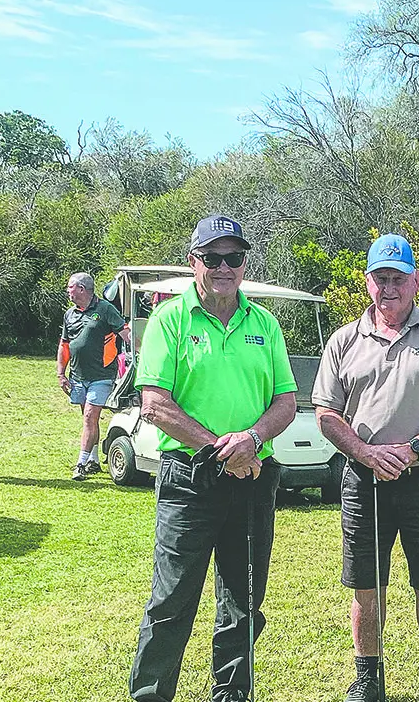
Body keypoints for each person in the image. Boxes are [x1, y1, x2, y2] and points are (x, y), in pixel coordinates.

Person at [129, 214, 298, 702]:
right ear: (193, 262)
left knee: (244, 603)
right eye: (214, 257)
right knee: (172, 602)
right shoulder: (169, 319)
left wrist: (251, 437)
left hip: (253, 479)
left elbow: (286, 402)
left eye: (235, 257)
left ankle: (231, 695)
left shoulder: (265, 324)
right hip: (190, 480)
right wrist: (220, 449)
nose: (225, 267)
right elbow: (155, 403)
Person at [313, 233, 419, 702]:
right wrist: (366, 454)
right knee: (366, 584)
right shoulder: (345, 340)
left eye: (399, 278)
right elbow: (326, 413)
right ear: (368, 282)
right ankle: (369, 679)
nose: (390, 288)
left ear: (416, 281)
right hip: (363, 481)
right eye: (381, 278)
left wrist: (415, 448)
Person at [57, 272, 131, 480]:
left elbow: (124, 332)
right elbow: (64, 345)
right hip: (78, 375)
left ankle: (80, 464)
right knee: (89, 419)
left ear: (81, 289)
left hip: (102, 374)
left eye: (70, 286)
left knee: (90, 416)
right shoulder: (69, 314)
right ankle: (94, 460)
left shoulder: (105, 309)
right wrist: (61, 373)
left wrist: (139, 343)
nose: (67, 290)